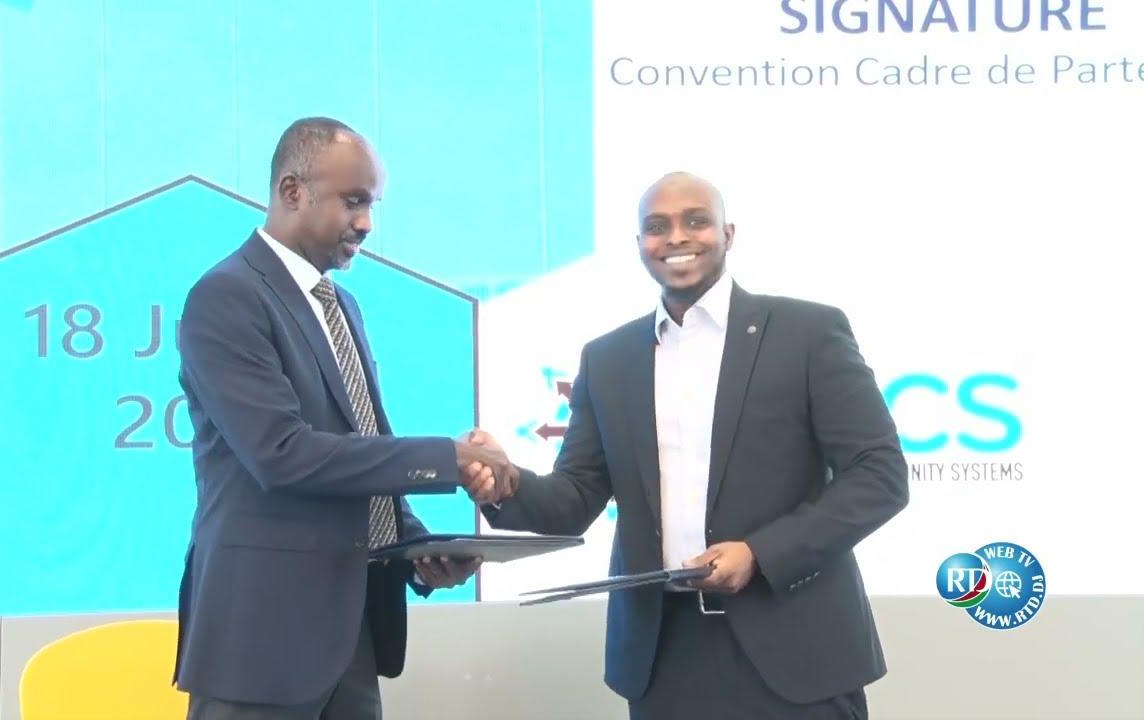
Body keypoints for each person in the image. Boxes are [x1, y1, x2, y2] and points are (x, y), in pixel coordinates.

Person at [477, 172, 908, 718]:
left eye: (696, 221)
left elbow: (879, 475)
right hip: (663, 656)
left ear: (728, 234)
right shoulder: (608, 359)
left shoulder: (807, 332)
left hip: (797, 649)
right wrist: (505, 484)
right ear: (640, 244)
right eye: (658, 227)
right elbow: (575, 496)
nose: (677, 237)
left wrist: (759, 554)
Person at [173, 116, 512, 719]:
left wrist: (418, 550)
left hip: (350, 640)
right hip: (260, 646)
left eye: (372, 204)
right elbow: (282, 455)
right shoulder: (226, 296)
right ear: (292, 191)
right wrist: (448, 458)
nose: (367, 223)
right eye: (353, 201)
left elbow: (360, 449)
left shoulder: (342, 305)